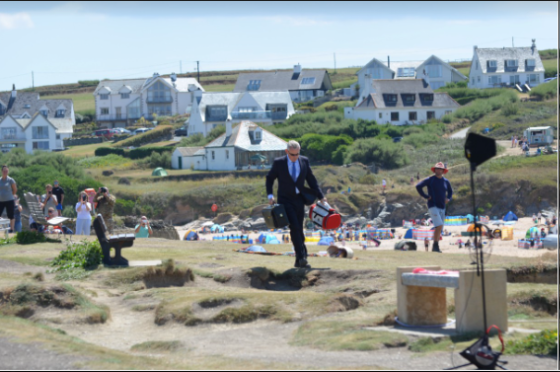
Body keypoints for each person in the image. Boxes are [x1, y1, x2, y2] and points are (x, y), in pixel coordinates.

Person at [266, 140, 326, 269]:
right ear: (287, 151)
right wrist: (270, 196)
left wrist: (321, 197)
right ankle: (303, 257)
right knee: (295, 227)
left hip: (300, 199)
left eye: (297, 154)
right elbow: (269, 178)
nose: (295, 157)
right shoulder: (279, 163)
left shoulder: (304, 161)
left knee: (299, 228)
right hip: (285, 200)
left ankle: (299, 260)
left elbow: (311, 180)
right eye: (292, 155)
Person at [416, 162, 453, 253]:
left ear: (443, 171)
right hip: (432, 205)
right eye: (437, 169)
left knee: (439, 228)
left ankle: (435, 246)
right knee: (439, 225)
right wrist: (426, 196)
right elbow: (418, 186)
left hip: (442, 207)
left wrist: (448, 198)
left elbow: (451, 192)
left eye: (440, 169)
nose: (438, 170)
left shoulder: (446, 181)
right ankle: (435, 246)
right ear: (434, 170)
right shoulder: (430, 180)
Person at [0, 165, 17, 232]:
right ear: (2, 171)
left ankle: (11, 229)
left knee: (11, 215)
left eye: (6, 171)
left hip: (9, 200)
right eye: (4, 171)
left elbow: (15, 189)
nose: (5, 172)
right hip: (0, 200)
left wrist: (10, 195)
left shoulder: (10, 180)